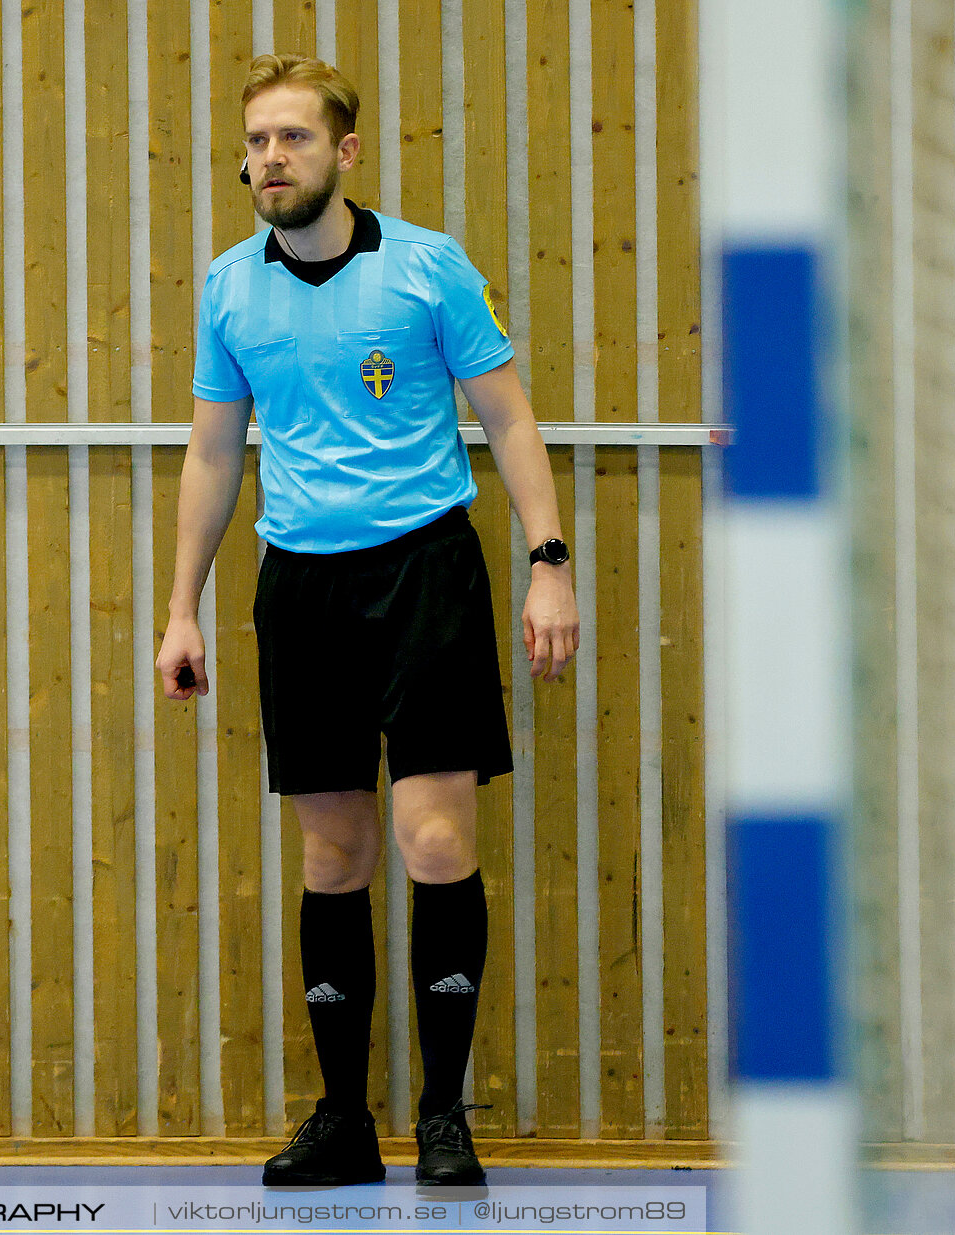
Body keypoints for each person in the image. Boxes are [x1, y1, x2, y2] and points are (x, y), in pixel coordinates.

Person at [157, 53, 579, 1189]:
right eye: (255, 142)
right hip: (301, 585)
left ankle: (444, 1113)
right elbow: (211, 450)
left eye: (291, 139)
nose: (268, 161)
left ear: (344, 153)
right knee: (332, 850)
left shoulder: (428, 268)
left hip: (424, 572)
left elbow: (510, 420)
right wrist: (179, 606)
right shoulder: (229, 286)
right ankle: (344, 1117)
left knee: (434, 839)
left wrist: (550, 563)